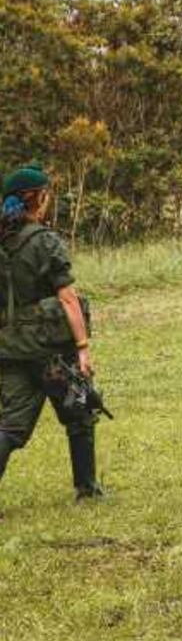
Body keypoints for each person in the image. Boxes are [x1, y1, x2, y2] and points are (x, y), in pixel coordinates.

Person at [0, 165, 102, 501]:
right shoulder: (45, 242)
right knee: (80, 409)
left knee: (11, 427)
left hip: (11, 348)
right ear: (38, 199)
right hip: (51, 351)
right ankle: (87, 489)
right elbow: (68, 298)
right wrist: (83, 348)